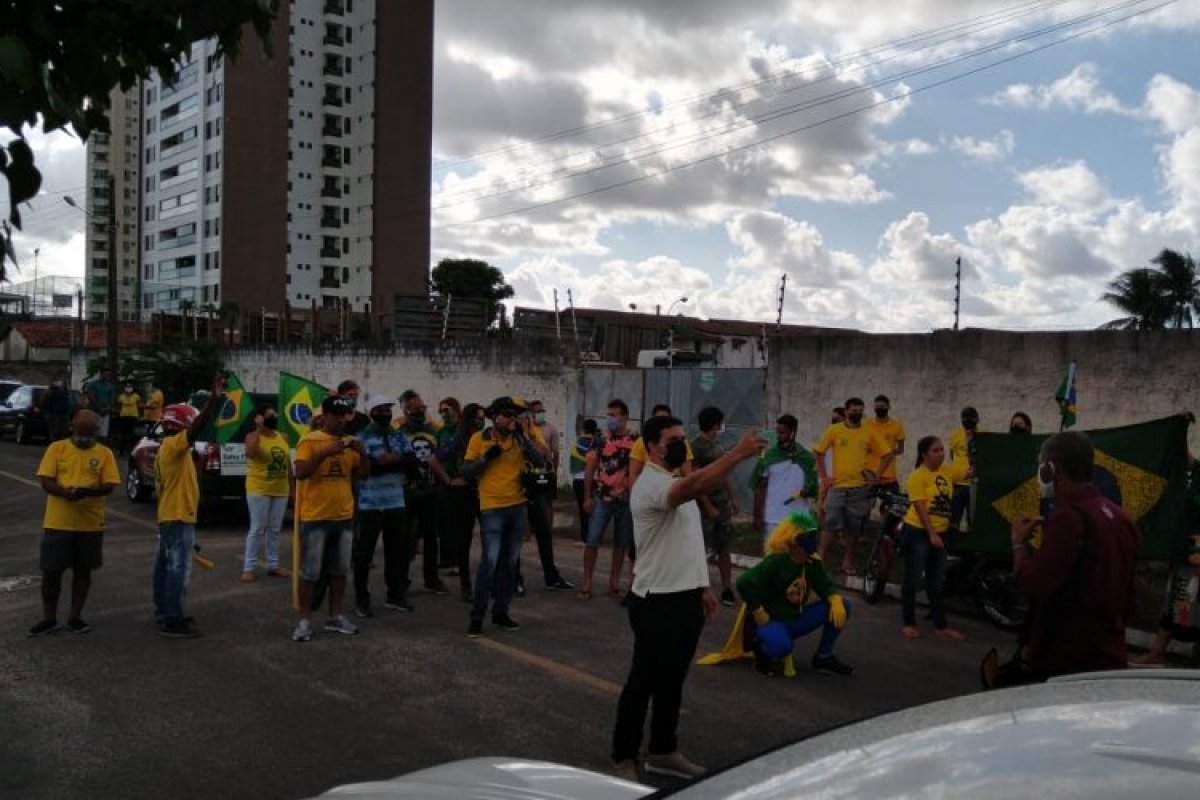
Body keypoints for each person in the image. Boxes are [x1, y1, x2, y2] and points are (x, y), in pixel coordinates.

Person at [610, 416, 765, 782]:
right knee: (643, 681)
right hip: (655, 601)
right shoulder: (649, 484)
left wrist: (703, 586)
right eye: (673, 440)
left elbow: (688, 544)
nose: (682, 446)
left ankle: (663, 751)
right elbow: (694, 484)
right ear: (651, 446)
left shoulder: (674, 480)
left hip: (685, 599)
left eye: (683, 439)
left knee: (673, 681)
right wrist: (737, 454)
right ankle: (624, 756)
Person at [982, 431, 1140, 688]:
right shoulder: (1119, 516)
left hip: (1068, 658)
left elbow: (1035, 584)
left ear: (1050, 470)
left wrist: (1019, 544)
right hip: (1109, 650)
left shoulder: (1068, 517)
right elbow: (1130, 594)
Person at [461, 396, 551, 637]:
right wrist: (486, 458)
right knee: (489, 563)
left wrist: (524, 438)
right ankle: (477, 616)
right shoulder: (479, 439)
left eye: (515, 415)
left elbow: (541, 461)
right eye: (508, 415)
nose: (513, 419)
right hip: (492, 508)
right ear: (495, 417)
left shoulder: (519, 439)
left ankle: (501, 612)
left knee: (509, 565)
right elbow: (467, 471)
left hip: (518, 506)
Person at [27, 410, 120, 637]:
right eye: (81, 434)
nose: (85, 439)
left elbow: (109, 485)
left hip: (90, 524)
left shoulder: (105, 453)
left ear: (97, 432)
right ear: (72, 427)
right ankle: (49, 618)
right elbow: (46, 481)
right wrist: (64, 492)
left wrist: (87, 491)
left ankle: (75, 617)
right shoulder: (56, 448)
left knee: (83, 571)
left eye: (89, 435)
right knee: (51, 572)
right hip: (58, 522)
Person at [736, 511, 854, 678]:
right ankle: (760, 648)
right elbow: (744, 582)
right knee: (782, 646)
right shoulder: (776, 562)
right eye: (807, 536)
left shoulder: (812, 562)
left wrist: (834, 598)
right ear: (793, 540)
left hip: (794, 619)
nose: (813, 541)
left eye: (814, 535)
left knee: (844, 605)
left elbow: (825, 586)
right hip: (770, 620)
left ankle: (823, 657)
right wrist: (758, 611)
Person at [292, 395, 369, 642]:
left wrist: (364, 455)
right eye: (336, 415)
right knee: (310, 571)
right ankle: (304, 620)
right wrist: (324, 452)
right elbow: (300, 472)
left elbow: (363, 476)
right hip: (316, 516)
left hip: (344, 516)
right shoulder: (309, 440)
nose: (341, 420)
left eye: (344, 415)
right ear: (324, 415)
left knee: (339, 570)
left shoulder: (349, 444)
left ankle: (335, 616)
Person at [153, 379, 223, 638]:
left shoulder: (170, 451)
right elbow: (195, 430)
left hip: (170, 515)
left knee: (164, 567)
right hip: (177, 516)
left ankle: (164, 611)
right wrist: (212, 403)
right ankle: (173, 619)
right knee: (178, 569)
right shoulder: (173, 445)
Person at [353, 397, 420, 617]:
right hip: (369, 504)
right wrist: (392, 461)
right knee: (364, 554)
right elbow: (366, 468)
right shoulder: (361, 437)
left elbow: (413, 465)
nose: (386, 413)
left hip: (395, 502)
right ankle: (362, 599)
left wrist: (388, 461)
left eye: (388, 410)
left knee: (397, 552)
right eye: (381, 410)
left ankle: (395, 595)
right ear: (372, 412)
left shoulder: (398, 435)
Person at [813, 398, 893, 575]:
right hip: (837, 487)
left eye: (860, 410)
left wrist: (876, 476)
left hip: (860, 489)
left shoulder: (869, 431)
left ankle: (847, 563)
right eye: (853, 410)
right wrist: (824, 477)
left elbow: (887, 454)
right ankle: (819, 559)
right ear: (846, 411)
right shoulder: (834, 430)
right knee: (829, 524)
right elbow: (818, 452)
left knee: (853, 528)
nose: (857, 413)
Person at [899, 436, 964, 640]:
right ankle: (909, 622)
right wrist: (932, 534)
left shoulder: (948, 471)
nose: (941, 453)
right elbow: (920, 509)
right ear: (924, 454)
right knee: (913, 577)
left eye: (942, 450)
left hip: (940, 533)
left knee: (936, 581)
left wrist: (972, 442)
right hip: (918, 531)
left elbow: (969, 472)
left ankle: (941, 625)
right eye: (936, 450)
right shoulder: (917, 477)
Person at [580, 399, 638, 600]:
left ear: (625, 417)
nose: (610, 419)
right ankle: (587, 582)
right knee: (592, 540)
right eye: (609, 415)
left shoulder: (635, 440)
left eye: (614, 415)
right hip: (602, 498)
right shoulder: (600, 439)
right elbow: (589, 468)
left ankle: (614, 581)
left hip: (626, 499)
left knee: (621, 543)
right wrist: (587, 497)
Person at [430, 403, 486, 603]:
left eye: (483, 417)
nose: (481, 421)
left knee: (491, 539)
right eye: (477, 417)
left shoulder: (486, 438)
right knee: (464, 541)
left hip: (485, 493)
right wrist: (449, 480)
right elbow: (434, 459)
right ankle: (466, 584)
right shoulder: (458, 440)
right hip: (463, 493)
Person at [516, 399, 573, 592]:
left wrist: (527, 436)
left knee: (544, 534)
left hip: (536, 489)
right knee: (516, 538)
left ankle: (552, 576)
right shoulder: (507, 436)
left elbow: (545, 456)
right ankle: (515, 580)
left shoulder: (535, 432)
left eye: (526, 416)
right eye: (521, 416)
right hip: (515, 491)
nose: (525, 419)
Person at [397, 390, 448, 596]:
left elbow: (441, 456)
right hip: (406, 492)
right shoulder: (398, 431)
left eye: (423, 408)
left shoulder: (434, 430)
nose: (420, 412)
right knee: (405, 539)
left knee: (431, 537)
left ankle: (431, 579)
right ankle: (401, 580)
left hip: (430, 491)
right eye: (416, 409)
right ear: (405, 410)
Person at [692, 406, 739, 607]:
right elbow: (694, 479)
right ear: (714, 424)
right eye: (720, 422)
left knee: (724, 546)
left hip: (722, 502)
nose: (722, 426)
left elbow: (725, 472)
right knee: (702, 548)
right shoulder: (696, 446)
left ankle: (727, 588)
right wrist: (708, 505)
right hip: (705, 504)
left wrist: (733, 498)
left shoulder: (717, 443)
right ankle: (700, 589)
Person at [241, 405, 292, 582]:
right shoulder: (252, 436)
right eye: (269, 415)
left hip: (280, 488)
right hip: (259, 488)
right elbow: (250, 452)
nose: (273, 417)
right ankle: (248, 567)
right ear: (259, 418)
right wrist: (258, 429)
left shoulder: (283, 437)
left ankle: (273, 565)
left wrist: (292, 487)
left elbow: (287, 464)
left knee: (275, 529)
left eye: (274, 414)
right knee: (257, 528)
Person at [750, 414, 818, 542]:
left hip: (799, 517)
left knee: (796, 558)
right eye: (777, 432)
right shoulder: (769, 457)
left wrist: (808, 491)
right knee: (773, 557)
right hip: (773, 518)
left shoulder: (807, 458)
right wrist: (757, 515)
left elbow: (814, 487)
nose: (778, 436)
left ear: (793, 432)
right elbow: (760, 487)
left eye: (782, 433)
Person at [628, 404, 693, 484]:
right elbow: (633, 474)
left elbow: (687, 474)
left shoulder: (683, 442)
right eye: (659, 420)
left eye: (666, 420)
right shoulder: (640, 443)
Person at [947, 407, 980, 534]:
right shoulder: (955, 434)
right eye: (965, 417)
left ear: (977, 419)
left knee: (973, 519)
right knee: (954, 518)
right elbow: (952, 455)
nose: (968, 420)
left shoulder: (983, 436)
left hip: (974, 484)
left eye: (971, 417)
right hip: (957, 484)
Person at [866, 395, 906, 495]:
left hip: (889, 474)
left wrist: (889, 453)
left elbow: (901, 449)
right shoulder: (866, 425)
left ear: (888, 407)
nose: (879, 409)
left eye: (882, 407)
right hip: (869, 475)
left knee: (893, 507)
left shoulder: (897, 426)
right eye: (877, 407)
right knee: (865, 508)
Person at [570, 418, 602, 543]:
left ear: (583, 428)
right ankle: (594, 537)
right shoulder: (599, 443)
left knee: (582, 509)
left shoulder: (577, 443)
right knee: (596, 511)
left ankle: (585, 538)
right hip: (595, 479)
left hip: (579, 479)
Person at [816, 406, 845, 525]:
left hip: (839, 478)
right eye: (833, 419)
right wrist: (823, 476)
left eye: (837, 420)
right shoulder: (828, 434)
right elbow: (819, 454)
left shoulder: (846, 437)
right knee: (821, 503)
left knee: (837, 508)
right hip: (826, 477)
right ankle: (821, 528)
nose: (834, 422)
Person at [81, 369, 117, 445]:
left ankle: (101, 448)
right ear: (101, 375)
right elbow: (91, 396)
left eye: (108, 375)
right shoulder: (93, 384)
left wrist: (108, 408)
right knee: (93, 431)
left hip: (105, 411)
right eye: (105, 374)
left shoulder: (110, 386)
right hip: (95, 411)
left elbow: (112, 398)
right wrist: (99, 408)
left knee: (103, 434)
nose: (107, 376)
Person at [113, 382, 142, 456]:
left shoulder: (136, 396)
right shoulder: (121, 397)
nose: (128, 388)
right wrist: (118, 414)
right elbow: (118, 406)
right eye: (127, 387)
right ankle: (121, 451)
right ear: (125, 388)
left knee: (133, 435)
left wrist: (139, 415)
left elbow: (139, 405)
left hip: (133, 417)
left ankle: (133, 451)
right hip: (124, 417)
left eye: (130, 387)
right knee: (123, 435)